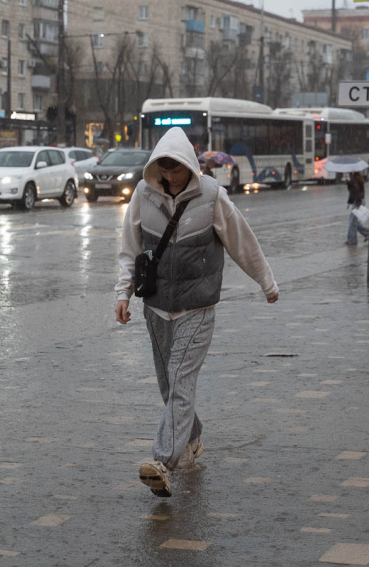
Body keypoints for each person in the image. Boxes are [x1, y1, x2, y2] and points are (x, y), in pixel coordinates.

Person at [115, 127, 279, 498]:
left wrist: (266, 283)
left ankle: (163, 461)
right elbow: (130, 249)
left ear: (189, 166)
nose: (170, 176)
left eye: (175, 169)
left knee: (180, 378)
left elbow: (242, 242)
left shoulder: (212, 197)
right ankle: (192, 438)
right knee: (169, 386)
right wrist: (122, 294)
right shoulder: (143, 195)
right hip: (155, 307)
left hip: (198, 306)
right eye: (164, 169)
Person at [346, 171, 368, 245]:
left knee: (352, 222)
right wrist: (348, 184)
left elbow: (357, 192)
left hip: (357, 202)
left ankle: (352, 240)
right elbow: (353, 191)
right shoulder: (355, 180)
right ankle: (367, 233)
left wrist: (358, 204)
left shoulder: (355, 180)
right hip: (357, 201)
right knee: (354, 221)